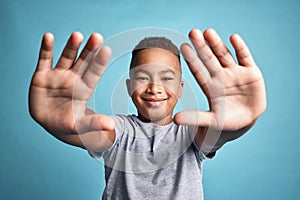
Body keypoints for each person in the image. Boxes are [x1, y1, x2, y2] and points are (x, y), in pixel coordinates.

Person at [29, 28, 267, 199]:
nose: (155, 88)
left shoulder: (192, 133)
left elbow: (221, 132)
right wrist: (55, 121)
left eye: (166, 78)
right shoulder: (118, 132)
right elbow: (84, 131)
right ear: (129, 87)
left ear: (181, 88)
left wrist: (245, 121)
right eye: (143, 78)